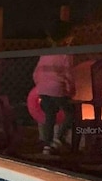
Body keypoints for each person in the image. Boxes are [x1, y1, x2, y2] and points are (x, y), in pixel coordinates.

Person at [32, 20, 76, 155]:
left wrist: (40, 86)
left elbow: (36, 73)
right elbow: (68, 74)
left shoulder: (45, 53)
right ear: (68, 37)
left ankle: (47, 146)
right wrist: (71, 90)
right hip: (57, 89)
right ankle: (58, 138)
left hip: (44, 90)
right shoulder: (66, 53)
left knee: (49, 117)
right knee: (71, 113)